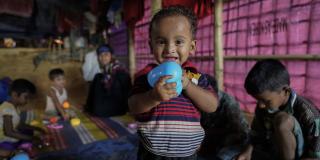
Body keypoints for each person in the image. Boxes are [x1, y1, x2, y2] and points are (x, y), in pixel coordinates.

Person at [128, 6, 219, 159]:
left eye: (178, 41)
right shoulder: (147, 76)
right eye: (161, 41)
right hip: (152, 153)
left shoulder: (194, 76)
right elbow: (133, 106)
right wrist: (153, 97)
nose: (170, 49)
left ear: (191, 47)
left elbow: (212, 106)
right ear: (151, 46)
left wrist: (188, 86)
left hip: (187, 154)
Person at [237, 59, 320, 160]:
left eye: (266, 101)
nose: (260, 105)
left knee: (283, 121)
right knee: (230, 153)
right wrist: (247, 152)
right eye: (257, 100)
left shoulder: (309, 114)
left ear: (285, 91)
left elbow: (315, 156)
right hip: (272, 152)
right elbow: (256, 135)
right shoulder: (263, 105)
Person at [198, 74, 250, 160]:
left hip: (227, 141)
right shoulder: (196, 100)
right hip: (206, 140)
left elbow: (242, 132)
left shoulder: (228, 103)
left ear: (214, 93)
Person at [84, 44, 131, 117]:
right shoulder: (108, 69)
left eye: (106, 54)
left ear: (111, 56)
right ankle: (89, 107)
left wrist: (128, 108)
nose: (103, 58)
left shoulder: (119, 70)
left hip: (117, 107)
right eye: (100, 55)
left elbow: (127, 90)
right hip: (112, 104)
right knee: (98, 76)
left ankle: (90, 107)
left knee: (98, 77)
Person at [0, 79, 45, 154]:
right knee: (10, 149)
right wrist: (31, 138)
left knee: (28, 131)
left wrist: (37, 128)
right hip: (3, 141)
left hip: (10, 137)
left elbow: (19, 125)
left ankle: (22, 145)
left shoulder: (15, 108)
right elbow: (9, 132)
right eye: (26, 97)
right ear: (15, 95)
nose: (27, 101)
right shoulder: (6, 108)